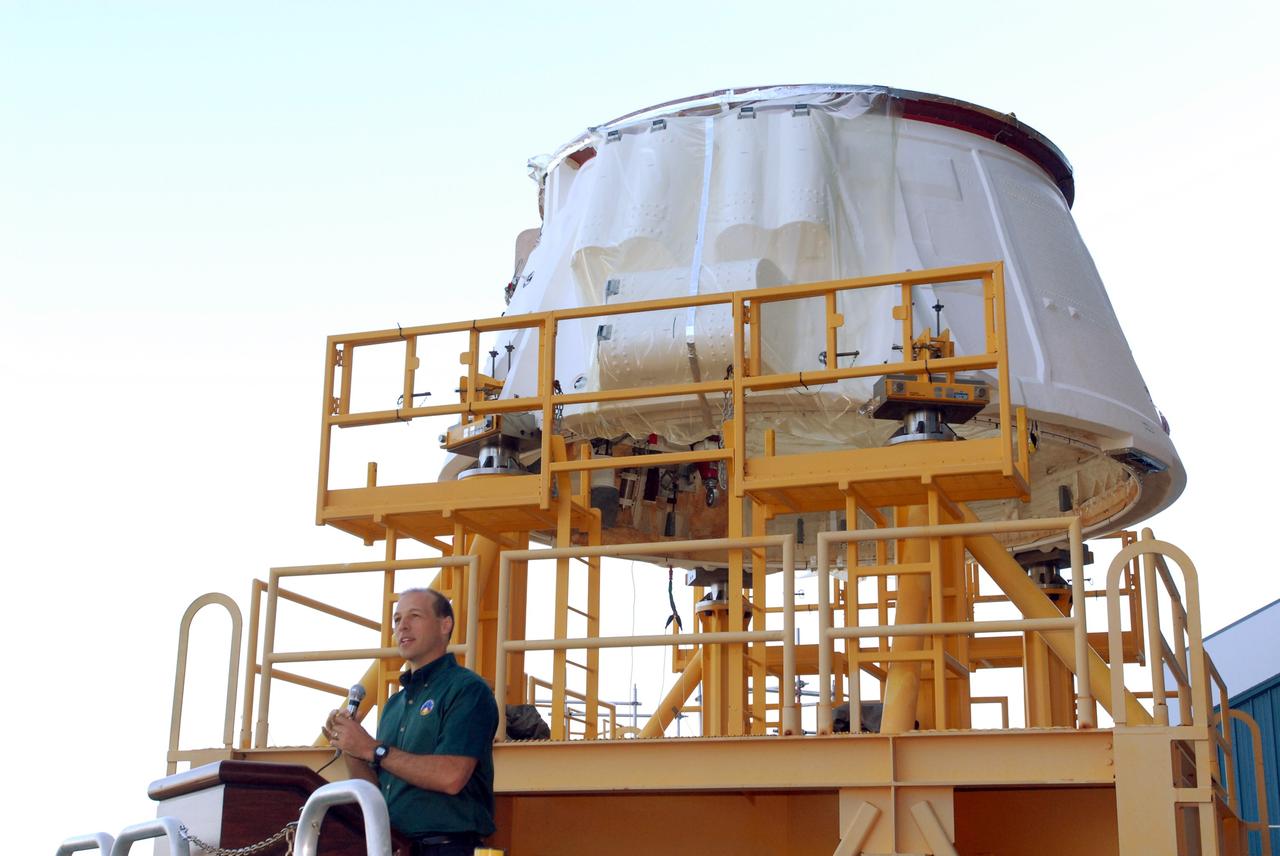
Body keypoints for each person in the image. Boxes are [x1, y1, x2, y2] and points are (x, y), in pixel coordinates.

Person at [323, 588, 499, 856]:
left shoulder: (468, 690)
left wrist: (373, 749)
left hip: (448, 848)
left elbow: (451, 776)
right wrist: (352, 748)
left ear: (445, 625)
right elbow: (376, 795)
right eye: (396, 619)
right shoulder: (394, 705)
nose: (402, 626)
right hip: (393, 846)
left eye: (414, 616)